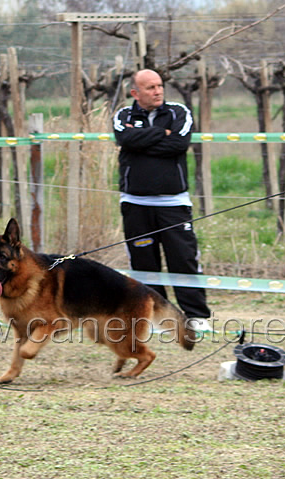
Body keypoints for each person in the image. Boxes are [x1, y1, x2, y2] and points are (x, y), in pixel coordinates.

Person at [112, 69, 211, 330]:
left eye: (159, 86)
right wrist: (162, 133)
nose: (157, 91)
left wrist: (144, 140)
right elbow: (125, 138)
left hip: (173, 203)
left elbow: (179, 144)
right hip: (135, 203)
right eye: (150, 87)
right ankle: (157, 317)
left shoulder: (179, 112)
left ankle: (196, 317)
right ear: (136, 93)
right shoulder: (124, 115)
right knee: (144, 263)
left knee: (183, 259)